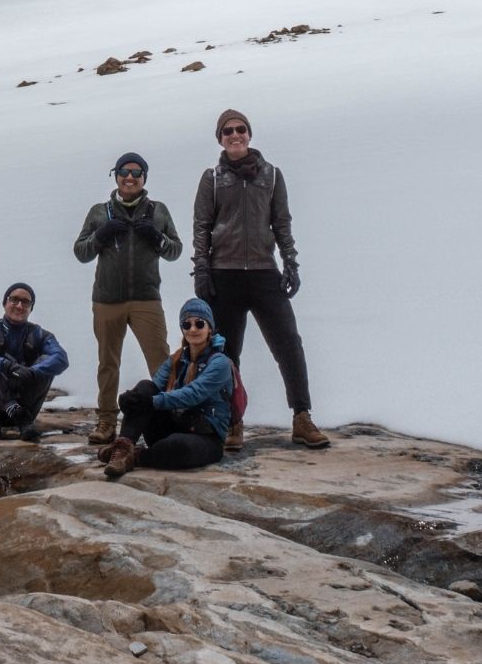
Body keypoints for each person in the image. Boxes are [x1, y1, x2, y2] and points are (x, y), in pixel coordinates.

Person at [192, 110, 330, 451]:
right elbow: (201, 228)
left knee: (289, 345)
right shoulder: (211, 178)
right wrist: (202, 271)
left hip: (265, 273)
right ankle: (232, 423)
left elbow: (281, 224)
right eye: (228, 131)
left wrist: (291, 264)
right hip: (224, 275)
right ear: (220, 139)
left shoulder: (271, 175)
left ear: (249, 135)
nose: (235, 135)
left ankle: (302, 418)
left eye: (241, 129)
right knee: (226, 355)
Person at [73, 151, 182, 445]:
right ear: (116, 175)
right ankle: (107, 420)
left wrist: (157, 238)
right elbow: (80, 252)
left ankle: (170, 416)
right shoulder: (100, 212)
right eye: (124, 172)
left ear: (145, 177)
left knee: (161, 362)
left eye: (137, 172)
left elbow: (176, 250)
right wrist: (101, 236)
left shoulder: (158, 211)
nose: (130, 177)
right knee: (108, 362)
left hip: (147, 299)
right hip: (107, 300)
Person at [102, 298, 233, 477]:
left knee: (180, 447)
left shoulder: (220, 363)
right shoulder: (175, 359)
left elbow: (194, 394)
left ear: (209, 327)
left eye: (199, 323)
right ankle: (122, 449)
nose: (193, 329)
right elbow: (153, 388)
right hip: (174, 424)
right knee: (144, 386)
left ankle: (139, 457)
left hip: (206, 436)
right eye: (187, 325)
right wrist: (133, 399)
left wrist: (149, 401)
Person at [0, 283, 71, 442]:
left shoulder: (39, 334)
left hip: (25, 407)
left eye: (25, 302)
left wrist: (33, 372)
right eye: (14, 300)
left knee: (47, 363)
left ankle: (2, 417)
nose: (19, 306)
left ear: (31, 308)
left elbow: (61, 358)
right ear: (5, 303)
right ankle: (13, 413)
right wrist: (4, 365)